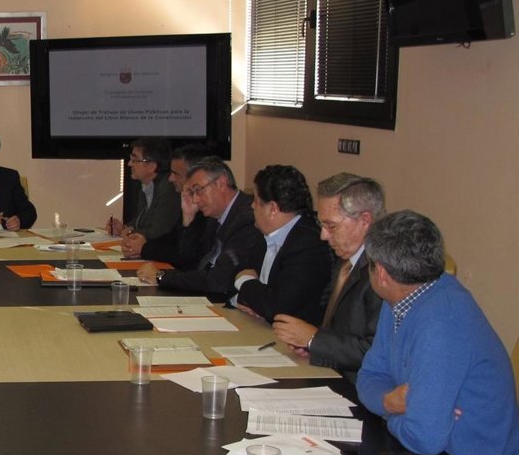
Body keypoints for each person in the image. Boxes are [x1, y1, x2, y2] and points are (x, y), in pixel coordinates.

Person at [356, 210, 519, 455]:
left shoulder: (441, 323)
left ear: (380, 272)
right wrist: (389, 402)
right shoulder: (400, 299)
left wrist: (388, 416)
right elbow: (368, 376)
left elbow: (425, 438)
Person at [272, 173, 385, 385]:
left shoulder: (383, 274)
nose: (323, 235)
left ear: (365, 220)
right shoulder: (345, 259)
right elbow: (336, 327)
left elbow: (374, 352)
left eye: (331, 226)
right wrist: (310, 344)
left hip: (358, 388)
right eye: (321, 224)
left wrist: (314, 339)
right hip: (328, 373)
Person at [136, 159, 265, 299]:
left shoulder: (247, 219)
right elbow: (188, 262)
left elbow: (218, 280)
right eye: (192, 193)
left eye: (198, 190)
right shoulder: (215, 216)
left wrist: (161, 276)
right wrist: (188, 218)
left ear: (221, 183)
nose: (195, 200)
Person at [232, 165, 332, 324]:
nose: (252, 206)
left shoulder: (309, 244)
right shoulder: (266, 233)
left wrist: (244, 282)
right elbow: (235, 272)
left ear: (272, 209)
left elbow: (275, 307)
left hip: (291, 336)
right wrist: (244, 297)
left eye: (256, 201)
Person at [119, 143, 211, 265]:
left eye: (175, 174)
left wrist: (143, 247)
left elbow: (187, 256)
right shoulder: (146, 188)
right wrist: (135, 238)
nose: (170, 178)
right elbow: (173, 237)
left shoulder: (169, 190)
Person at [106, 139, 179, 243]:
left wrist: (129, 232)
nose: (129, 164)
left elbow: (158, 231)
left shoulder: (168, 189)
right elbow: (143, 221)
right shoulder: (146, 186)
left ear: (151, 165)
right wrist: (123, 228)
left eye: (135, 160)